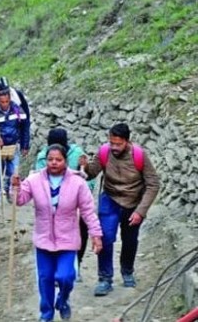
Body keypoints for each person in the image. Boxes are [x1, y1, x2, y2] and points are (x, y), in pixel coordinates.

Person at [13, 145, 103, 322]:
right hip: (43, 239)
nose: (54, 163)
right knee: (45, 278)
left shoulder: (78, 183)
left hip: (67, 239)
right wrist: (15, 187)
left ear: (66, 161)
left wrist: (96, 234)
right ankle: (46, 314)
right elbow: (20, 201)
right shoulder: (34, 180)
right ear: (46, 161)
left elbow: (88, 211)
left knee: (66, 276)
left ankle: (62, 300)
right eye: (50, 159)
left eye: (58, 159)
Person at [80, 123, 160, 297]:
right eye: (112, 143)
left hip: (133, 203)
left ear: (127, 141)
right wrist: (85, 167)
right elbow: (92, 173)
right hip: (110, 199)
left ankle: (127, 271)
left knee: (130, 240)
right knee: (105, 238)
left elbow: (153, 184)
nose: (114, 147)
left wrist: (141, 211)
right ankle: (105, 278)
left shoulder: (139, 156)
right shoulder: (104, 152)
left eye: (118, 144)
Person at [34, 128, 93, 279]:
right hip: (51, 205)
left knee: (80, 232)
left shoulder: (78, 153)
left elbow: (88, 180)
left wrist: (85, 168)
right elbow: (39, 180)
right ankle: (54, 268)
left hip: (73, 203)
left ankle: (75, 264)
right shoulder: (42, 157)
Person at [0, 89, 30, 209]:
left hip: (13, 146)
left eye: (7, 101)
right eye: (2, 102)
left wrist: (25, 145)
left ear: (10, 100)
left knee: (13, 173)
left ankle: (8, 191)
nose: (5, 104)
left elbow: (25, 128)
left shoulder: (17, 110)